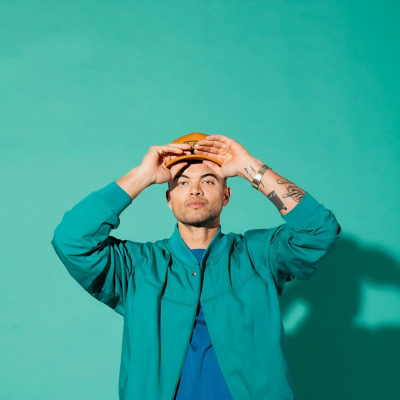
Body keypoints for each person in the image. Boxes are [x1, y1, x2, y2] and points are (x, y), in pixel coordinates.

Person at [51, 132, 342, 400]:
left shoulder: (259, 256)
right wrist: (142, 176)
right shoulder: (137, 267)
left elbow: (320, 230)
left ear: (226, 195)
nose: (195, 190)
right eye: (182, 182)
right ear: (169, 199)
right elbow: (71, 240)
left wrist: (250, 167)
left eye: (208, 181)